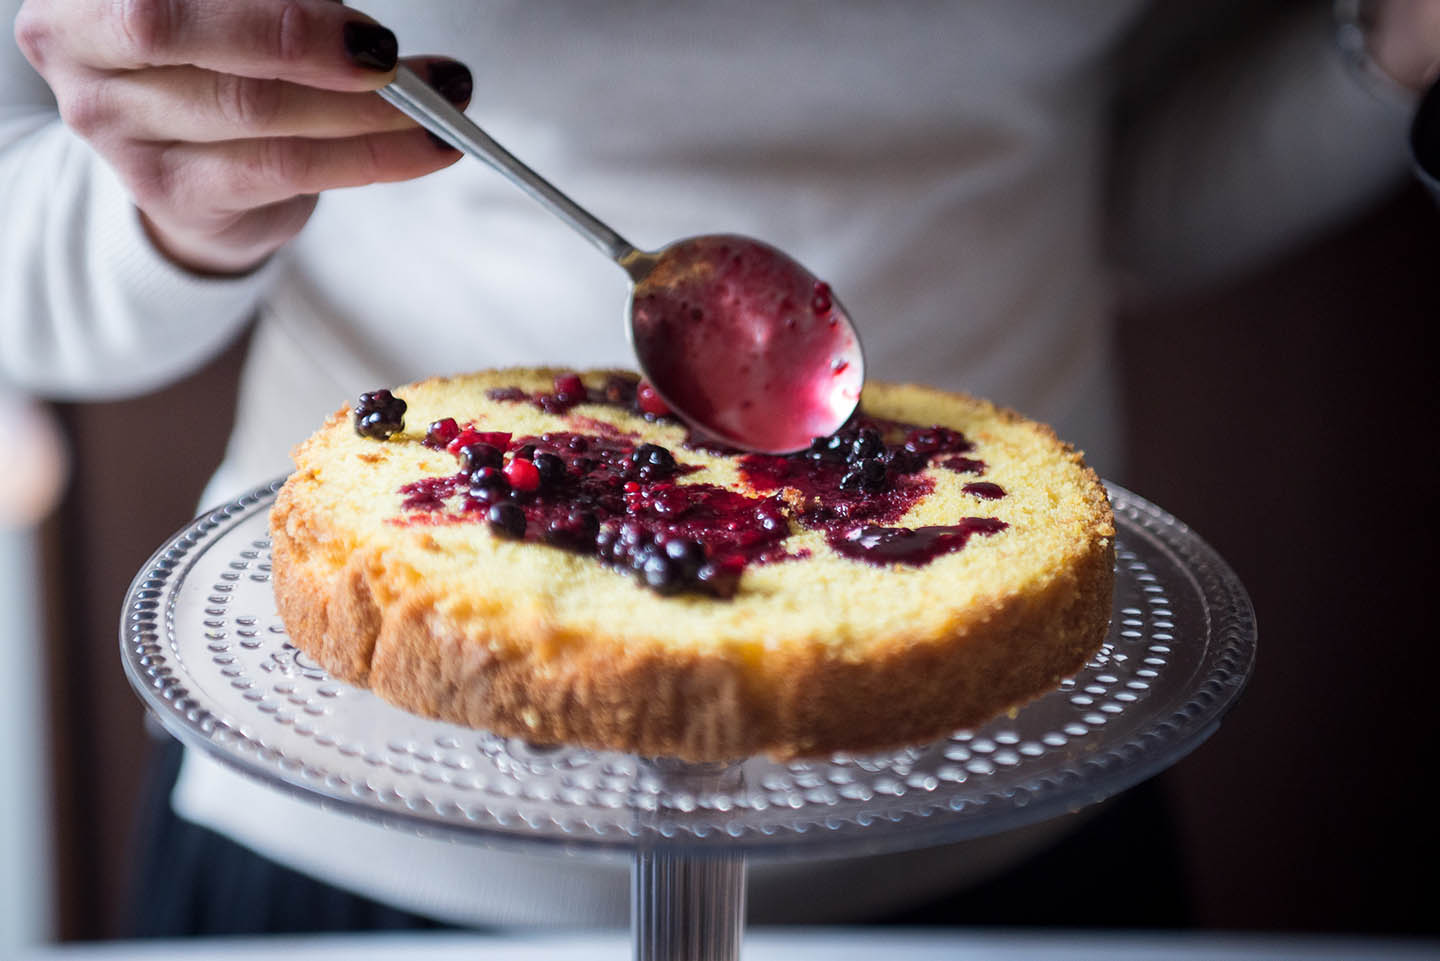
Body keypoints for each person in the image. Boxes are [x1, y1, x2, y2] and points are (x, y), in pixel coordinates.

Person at [2, 0, 1432, 936]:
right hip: (362, 815)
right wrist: (180, 204)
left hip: (996, 815)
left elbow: (1118, 184)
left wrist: (1386, 52)